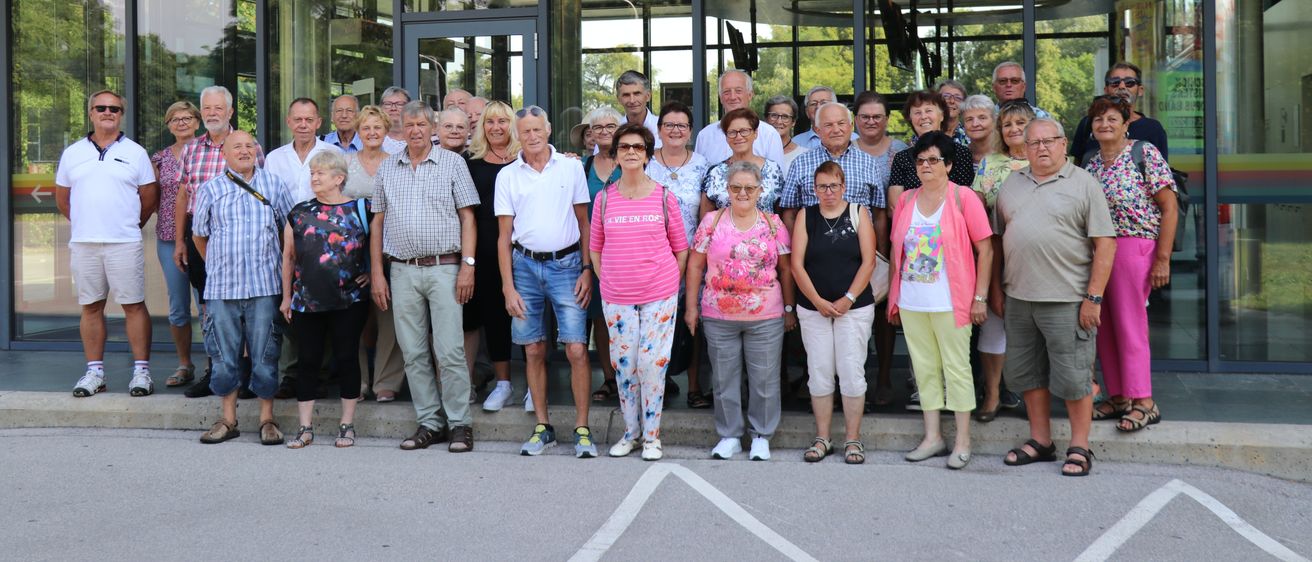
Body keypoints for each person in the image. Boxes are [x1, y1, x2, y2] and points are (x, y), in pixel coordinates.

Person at [994, 118, 1116, 476]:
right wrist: (995, 291)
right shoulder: (1011, 185)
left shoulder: (1083, 184)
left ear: (1064, 144)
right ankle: (1041, 441)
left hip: (1068, 299)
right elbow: (999, 242)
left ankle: (1080, 447)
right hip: (1019, 297)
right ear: (1024, 148)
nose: (1042, 148)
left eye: (1049, 141)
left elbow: (1104, 243)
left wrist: (1093, 297)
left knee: (1074, 377)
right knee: (1028, 374)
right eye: (1034, 143)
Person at [370, 101, 480, 453]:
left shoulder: (452, 163)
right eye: (409, 125)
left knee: (449, 351)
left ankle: (460, 423)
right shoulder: (388, 168)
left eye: (421, 124)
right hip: (401, 270)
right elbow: (377, 224)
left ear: (431, 126)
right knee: (413, 352)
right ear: (399, 129)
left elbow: (468, 219)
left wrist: (468, 265)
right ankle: (430, 422)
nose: (415, 130)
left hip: (446, 268)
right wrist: (377, 273)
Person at [494, 105, 597, 458]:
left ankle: (582, 429)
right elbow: (503, 236)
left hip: (567, 265)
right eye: (526, 131)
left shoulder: (570, 167)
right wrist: (508, 287)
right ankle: (543, 427)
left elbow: (585, 223)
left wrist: (586, 268)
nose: (533, 136)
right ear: (517, 134)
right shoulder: (508, 175)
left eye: (538, 130)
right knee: (533, 349)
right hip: (524, 267)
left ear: (548, 129)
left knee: (576, 349)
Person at [887, 132, 994, 470]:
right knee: (924, 370)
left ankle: (963, 441)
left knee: (957, 370)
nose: (926, 166)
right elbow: (896, 252)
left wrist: (980, 297)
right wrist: (895, 298)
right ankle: (933, 437)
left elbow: (986, 249)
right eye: (920, 161)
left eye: (934, 160)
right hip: (913, 300)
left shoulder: (963, 198)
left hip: (953, 301)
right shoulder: (905, 200)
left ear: (948, 165)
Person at [590, 123, 690, 461]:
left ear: (647, 154)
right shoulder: (604, 199)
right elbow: (595, 248)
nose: (631, 152)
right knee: (625, 365)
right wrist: (610, 280)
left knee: (651, 364)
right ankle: (630, 433)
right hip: (617, 297)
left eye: (638, 147)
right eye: (624, 147)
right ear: (616, 154)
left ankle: (652, 437)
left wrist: (666, 283)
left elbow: (681, 248)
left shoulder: (664, 196)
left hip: (659, 295)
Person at [685, 161, 795, 461]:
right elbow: (695, 265)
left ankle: (761, 436)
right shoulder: (711, 221)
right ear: (727, 190)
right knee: (723, 379)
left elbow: (786, 270)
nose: (742, 193)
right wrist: (691, 307)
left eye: (749, 188)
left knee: (764, 380)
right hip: (718, 315)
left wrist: (788, 308)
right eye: (736, 187)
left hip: (766, 316)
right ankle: (729, 435)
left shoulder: (773, 223)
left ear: (760, 190)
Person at [1082, 95, 1177, 433]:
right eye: (1098, 120)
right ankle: (1119, 396)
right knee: (1103, 326)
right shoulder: (1091, 162)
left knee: (1129, 324)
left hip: (1135, 246)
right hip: (1100, 250)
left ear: (1125, 123)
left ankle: (1144, 401)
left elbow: (1169, 207)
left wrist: (1162, 258)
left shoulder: (1143, 153)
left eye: (1111, 119)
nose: (1104, 125)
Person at [192, 130, 294, 445]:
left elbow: (288, 232)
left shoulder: (274, 185)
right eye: (237, 146)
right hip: (222, 288)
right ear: (224, 153)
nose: (245, 150)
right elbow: (199, 234)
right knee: (223, 354)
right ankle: (228, 419)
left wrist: (279, 266)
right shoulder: (210, 189)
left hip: (265, 284)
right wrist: (217, 264)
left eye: (250, 145)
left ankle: (267, 419)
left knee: (265, 352)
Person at [55, 89, 159, 397]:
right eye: (101, 107)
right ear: (90, 113)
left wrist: (127, 224)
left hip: (124, 243)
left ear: (121, 114)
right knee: (91, 307)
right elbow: (63, 198)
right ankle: (94, 373)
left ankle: (141, 372)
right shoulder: (73, 153)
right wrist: (88, 223)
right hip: (85, 243)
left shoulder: (136, 152)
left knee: (134, 305)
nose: (107, 112)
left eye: (114, 108)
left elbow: (149, 197)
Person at [173, 85, 265, 398]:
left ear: (230, 112)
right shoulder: (191, 149)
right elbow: (184, 194)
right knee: (209, 307)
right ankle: (216, 371)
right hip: (200, 239)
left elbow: (262, 191)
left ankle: (246, 373)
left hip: (240, 239)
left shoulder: (247, 145)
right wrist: (179, 242)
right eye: (207, 108)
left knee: (245, 306)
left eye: (218, 108)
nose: (212, 113)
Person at [280, 150, 369, 449]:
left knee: (346, 358)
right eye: (313, 173)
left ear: (339, 178)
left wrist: (371, 272)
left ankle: (347, 425)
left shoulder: (361, 209)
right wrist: (286, 297)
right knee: (308, 361)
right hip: (307, 300)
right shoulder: (299, 212)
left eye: (321, 173)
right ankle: (305, 428)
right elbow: (288, 257)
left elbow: (379, 244)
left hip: (349, 300)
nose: (314, 177)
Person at [792, 161, 877, 464]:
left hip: (853, 309)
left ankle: (853, 440)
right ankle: (822, 437)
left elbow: (869, 261)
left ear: (843, 186)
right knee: (819, 373)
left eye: (833, 186)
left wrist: (848, 298)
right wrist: (815, 300)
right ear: (814, 189)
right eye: (821, 186)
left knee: (852, 372)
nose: (828, 192)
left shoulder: (858, 213)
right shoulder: (807, 216)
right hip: (813, 308)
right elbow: (797, 265)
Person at [264, 97, 342, 399]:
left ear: (319, 122)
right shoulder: (275, 158)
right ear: (288, 121)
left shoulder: (332, 153)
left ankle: (320, 374)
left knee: (320, 308)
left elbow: (338, 195)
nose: (303, 125)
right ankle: (291, 375)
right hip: (285, 242)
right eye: (298, 119)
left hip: (322, 245)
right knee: (288, 310)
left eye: (309, 119)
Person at [645, 101, 713, 409]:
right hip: (652, 257)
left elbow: (706, 212)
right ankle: (660, 382)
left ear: (690, 131)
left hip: (693, 255)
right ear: (659, 130)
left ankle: (695, 385)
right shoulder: (646, 162)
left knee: (692, 319)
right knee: (656, 322)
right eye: (669, 125)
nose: (675, 130)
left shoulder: (702, 164)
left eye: (682, 125)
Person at [959, 94, 1021, 422]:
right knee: (994, 323)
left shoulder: (1049, 160)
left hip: (1037, 260)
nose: (1013, 130)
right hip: (993, 253)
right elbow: (977, 208)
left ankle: (1028, 393)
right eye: (1007, 124)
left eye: (1021, 124)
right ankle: (994, 394)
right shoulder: (989, 164)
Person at [343, 106, 406, 402]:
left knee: (388, 313)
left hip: (389, 246)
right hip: (351, 249)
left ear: (385, 131)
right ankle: (356, 381)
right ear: (358, 132)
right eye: (366, 128)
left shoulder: (397, 163)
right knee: (352, 315)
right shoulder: (344, 163)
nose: (371, 133)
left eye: (377, 128)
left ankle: (386, 381)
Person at [851, 90, 906, 409]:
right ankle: (856, 381)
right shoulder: (846, 150)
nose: (871, 121)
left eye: (877, 116)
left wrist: (886, 253)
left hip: (889, 243)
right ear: (855, 119)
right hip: (849, 245)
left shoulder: (899, 151)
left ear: (887, 119)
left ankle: (884, 378)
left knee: (884, 318)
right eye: (865, 116)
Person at [466, 101, 519, 412]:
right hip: (484, 251)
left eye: (502, 121)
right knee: (495, 318)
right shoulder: (470, 163)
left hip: (522, 251)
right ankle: (503, 384)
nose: (496, 127)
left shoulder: (525, 161)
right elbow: (467, 216)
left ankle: (535, 385)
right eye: (490, 121)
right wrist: (469, 261)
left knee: (527, 318)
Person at [151, 101, 202, 389]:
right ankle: (185, 364)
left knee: (207, 303)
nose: (181, 123)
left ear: (197, 122)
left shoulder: (211, 152)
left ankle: (215, 364)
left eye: (187, 118)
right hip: (170, 239)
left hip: (204, 237)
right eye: (175, 119)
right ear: (168, 125)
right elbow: (149, 196)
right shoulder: (159, 159)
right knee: (178, 305)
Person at [778, 102, 886, 233]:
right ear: (817, 130)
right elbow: (789, 213)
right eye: (828, 125)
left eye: (841, 123)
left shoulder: (868, 162)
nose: (836, 130)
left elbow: (879, 214)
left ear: (851, 126)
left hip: (860, 246)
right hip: (813, 246)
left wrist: (880, 251)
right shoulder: (800, 163)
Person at [581, 107, 623, 403]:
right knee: (599, 317)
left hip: (627, 252)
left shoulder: (634, 161)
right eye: (598, 127)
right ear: (590, 134)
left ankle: (628, 377)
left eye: (611, 126)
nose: (604, 131)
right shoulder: (580, 166)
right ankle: (610, 378)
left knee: (627, 317)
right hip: (594, 252)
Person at [887, 90, 975, 214]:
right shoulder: (902, 158)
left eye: (929, 111)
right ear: (910, 119)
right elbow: (894, 206)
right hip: (912, 226)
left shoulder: (961, 153)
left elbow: (965, 200)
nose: (923, 116)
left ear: (942, 115)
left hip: (952, 224)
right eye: (917, 112)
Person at [1070, 62, 1170, 163]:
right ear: (1106, 90)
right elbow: (1078, 165)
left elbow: (1161, 172)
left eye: (1129, 82)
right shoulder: (1089, 123)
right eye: (1115, 82)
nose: (1122, 86)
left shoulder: (1153, 128)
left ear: (1140, 90)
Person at [699, 108, 785, 215]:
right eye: (732, 132)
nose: (738, 137)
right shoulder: (714, 172)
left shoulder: (773, 170)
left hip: (766, 231)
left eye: (744, 131)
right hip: (724, 231)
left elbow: (781, 212)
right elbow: (705, 219)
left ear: (755, 133)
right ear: (726, 137)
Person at [694, 70, 784, 165]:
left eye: (738, 91)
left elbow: (778, 177)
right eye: (727, 92)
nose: (733, 97)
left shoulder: (769, 135)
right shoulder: (705, 136)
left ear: (750, 95)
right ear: (720, 98)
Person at [791, 86, 857, 150]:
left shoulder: (854, 140)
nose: (818, 107)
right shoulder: (796, 142)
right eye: (813, 104)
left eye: (824, 103)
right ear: (807, 112)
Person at [614, 69, 662, 145]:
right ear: (619, 99)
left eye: (637, 94)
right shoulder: (612, 130)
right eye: (626, 95)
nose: (632, 100)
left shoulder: (664, 127)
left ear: (648, 96)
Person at [763, 95, 806, 175]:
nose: (779, 121)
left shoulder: (804, 155)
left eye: (785, 117)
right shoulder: (757, 151)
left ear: (793, 122)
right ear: (766, 119)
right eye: (774, 115)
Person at [936, 79, 971, 145]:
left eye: (957, 98)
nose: (952, 101)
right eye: (946, 96)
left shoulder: (971, 135)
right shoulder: (925, 132)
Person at [379, 86, 411, 154]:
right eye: (388, 104)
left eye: (399, 104)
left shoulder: (419, 137)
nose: (393, 108)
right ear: (381, 108)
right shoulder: (373, 137)